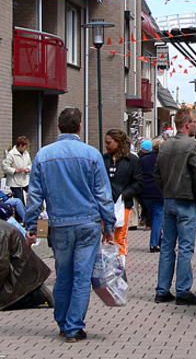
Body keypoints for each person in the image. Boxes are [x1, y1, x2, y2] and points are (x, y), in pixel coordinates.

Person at [24, 107, 115, 343]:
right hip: (88, 222)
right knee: (82, 276)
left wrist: (31, 226)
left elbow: (34, 195)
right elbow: (103, 194)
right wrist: (109, 226)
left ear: (58, 127)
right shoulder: (92, 154)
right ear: (79, 127)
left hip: (60, 224)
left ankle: (63, 323)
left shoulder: (43, 155)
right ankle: (74, 326)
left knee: (63, 275)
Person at [153, 106, 196, 305]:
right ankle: (183, 290)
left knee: (167, 247)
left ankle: (162, 289)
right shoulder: (191, 144)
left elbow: (157, 174)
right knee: (185, 248)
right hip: (186, 200)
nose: (195, 125)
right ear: (187, 123)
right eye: (194, 122)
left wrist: (165, 190)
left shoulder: (164, 145)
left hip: (169, 200)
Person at [103, 129, 143, 260]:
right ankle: (107, 266)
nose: (106, 146)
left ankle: (119, 268)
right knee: (105, 237)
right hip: (104, 204)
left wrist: (124, 195)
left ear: (118, 142)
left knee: (119, 237)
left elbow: (138, 182)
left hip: (123, 204)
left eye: (109, 143)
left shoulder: (131, 160)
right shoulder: (104, 159)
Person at [0, 219, 53, 311]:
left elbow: (2, 266)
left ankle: (35, 293)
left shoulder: (1, 233)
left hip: (18, 280)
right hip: (23, 275)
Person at [139, 138, 164, 253]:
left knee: (154, 216)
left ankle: (158, 240)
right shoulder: (163, 159)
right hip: (158, 191)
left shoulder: (143, 159)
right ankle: (154, 243)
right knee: (158, 217)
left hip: (145, 191)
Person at [2, 136, 32, 204]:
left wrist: (28, 169)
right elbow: (5, 167)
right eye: (25, 146)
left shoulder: (26, 153)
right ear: (20, 145)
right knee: (19, 201)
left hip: (25, 180)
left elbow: (30, 164)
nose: (25, 148)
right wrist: (16, 170)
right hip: (14, 182)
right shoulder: (11, 154)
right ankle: (21, 214)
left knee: (32, 194)